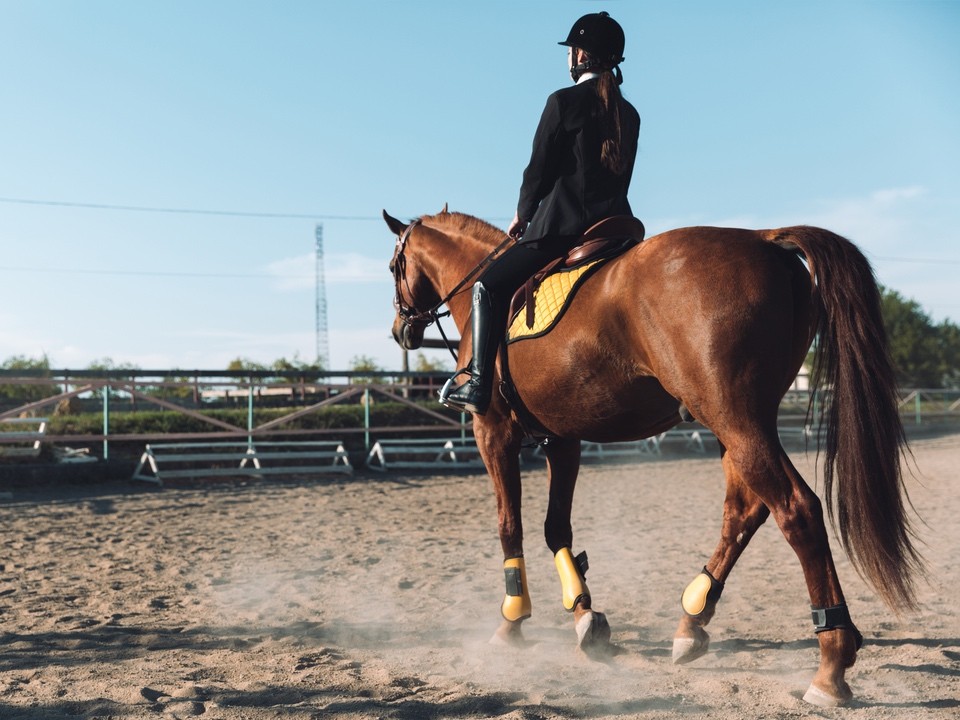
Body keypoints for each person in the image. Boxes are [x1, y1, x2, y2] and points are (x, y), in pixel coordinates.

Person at [441, 11, 641, 415]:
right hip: (618, 229)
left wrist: (523, 213)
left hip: (563, 230)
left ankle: (478, 382)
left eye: (571, 51)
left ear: (580, 55)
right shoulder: (630, 113)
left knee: (485, 287)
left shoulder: (562, 103)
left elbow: (538, 169)